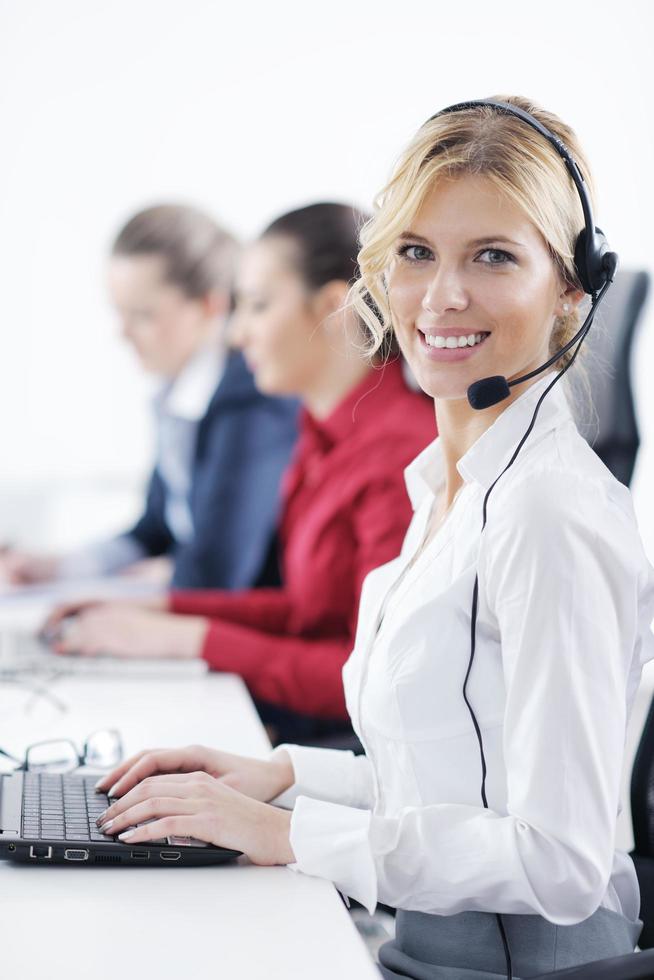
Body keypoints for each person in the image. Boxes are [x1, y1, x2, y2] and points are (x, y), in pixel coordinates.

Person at [90, 98, 654, 977]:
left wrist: (288, 834)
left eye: (494, 256)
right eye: (416, 253)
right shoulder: (445, 483)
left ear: (573, 288)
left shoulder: (548, 513)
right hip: (422, 946)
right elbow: (448, 782)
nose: (442, 295)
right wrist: (278, 776)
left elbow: (563, 863)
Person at [44, 203, 436, 736]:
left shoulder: (398, 453)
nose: (236, 334)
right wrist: (160, 609)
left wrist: (184, 637)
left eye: (257, 306)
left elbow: (372, 674)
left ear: (331, 307)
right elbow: (304, 611)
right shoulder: (320, 434)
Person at [0, 204, 298, 591]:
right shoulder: (176, 396)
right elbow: (155, 528)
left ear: (211, 305)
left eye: (142, 315)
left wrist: (161, 574)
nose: (123, 333)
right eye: (119, 313)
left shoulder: (253, 399)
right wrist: (61, 567)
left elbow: (217, 570)